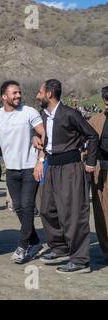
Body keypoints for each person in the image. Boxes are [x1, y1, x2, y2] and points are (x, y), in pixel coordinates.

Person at [36, 79, 98, 274]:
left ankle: (80, 261)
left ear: (49, 95)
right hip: (51, 167)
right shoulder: (43, 115)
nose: (37, 95)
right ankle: (60, 247)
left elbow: (92, 136)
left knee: (72, 214)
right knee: (47, 209)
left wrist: (90, 163)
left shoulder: (71, 114)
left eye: (40, 92)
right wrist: (35, 139)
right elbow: (39, 134)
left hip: (70, 167)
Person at [0, 80, 46, 264]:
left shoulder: (29, 112)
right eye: (14, 93)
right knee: (19, 207)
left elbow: (42, 134)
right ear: (4, 97)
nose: (18, 96)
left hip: (31, 166)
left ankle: (23, 246)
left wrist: (40, 159)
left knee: (28, 205)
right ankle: (36, 241)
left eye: (19, 92)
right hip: (11, 169)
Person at [88, 86, 108, 263]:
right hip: (99, 171)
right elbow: (87, 145)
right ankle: (105, 249)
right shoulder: (95, 120)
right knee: (100, 211)